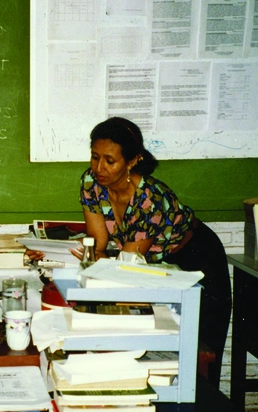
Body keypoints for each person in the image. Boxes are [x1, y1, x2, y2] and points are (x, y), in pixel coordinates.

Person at [78, 117, 232, 388]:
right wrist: (90, 256)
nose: (99, 168)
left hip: (195, 258)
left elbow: (127, 264)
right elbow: (98, 242)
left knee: (200, 352)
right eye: (94, 157)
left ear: (132, 160)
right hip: (153, 261)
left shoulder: (150, 199)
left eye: (109, 161)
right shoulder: (91, 183)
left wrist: (101, 261)